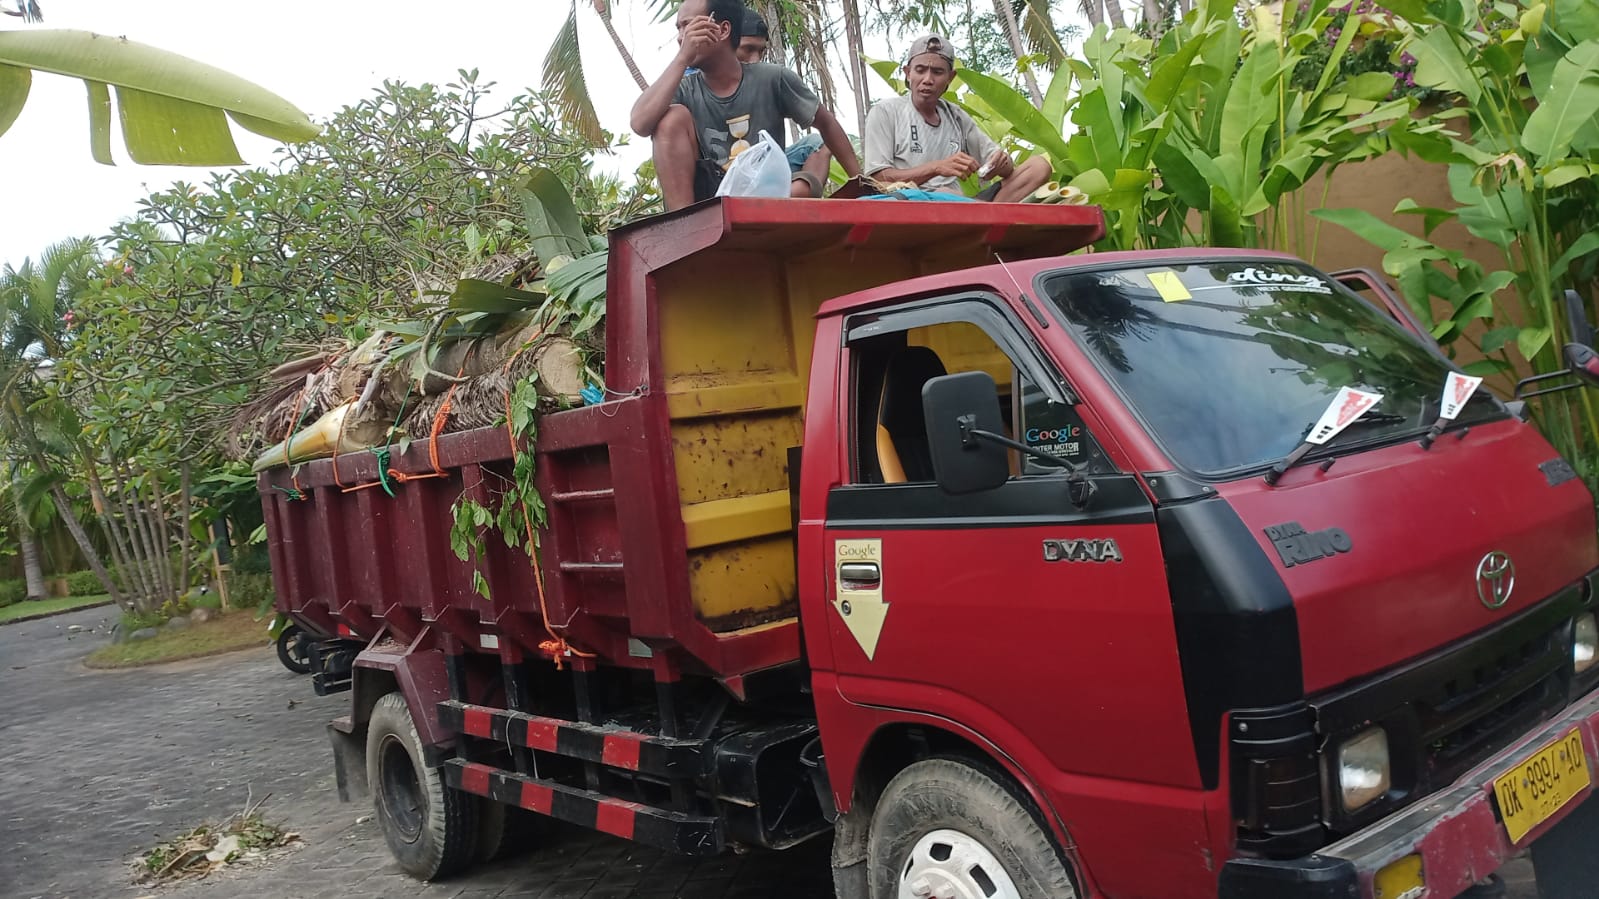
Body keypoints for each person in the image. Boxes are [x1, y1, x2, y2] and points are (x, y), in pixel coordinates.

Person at [631, 0, 861, 210]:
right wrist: (682, 58)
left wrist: (860, 182)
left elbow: (826, 123)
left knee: (813, 155)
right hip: (711, 201)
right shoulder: (684, 88)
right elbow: (640, 123)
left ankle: (782, 200)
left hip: (766, 190)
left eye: (689, 26)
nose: (682, 37)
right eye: (679, 29)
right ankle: (683, 224)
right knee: (671, 118)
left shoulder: (772, 78)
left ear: (722, 30)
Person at [863, 34, 1050, 203]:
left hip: (958, 203)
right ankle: (982, 217)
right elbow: (878, 180)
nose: (928, 79)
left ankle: (981, 217)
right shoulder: (885, 112)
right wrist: (936, 168)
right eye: (920, 70)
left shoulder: (957, 116)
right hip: (911, 203)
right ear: (908, 73)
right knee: (947, 192)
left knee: (1039, 167)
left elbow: (1004, 168)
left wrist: (1001, 164)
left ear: (950, 78)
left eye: (937, 72)